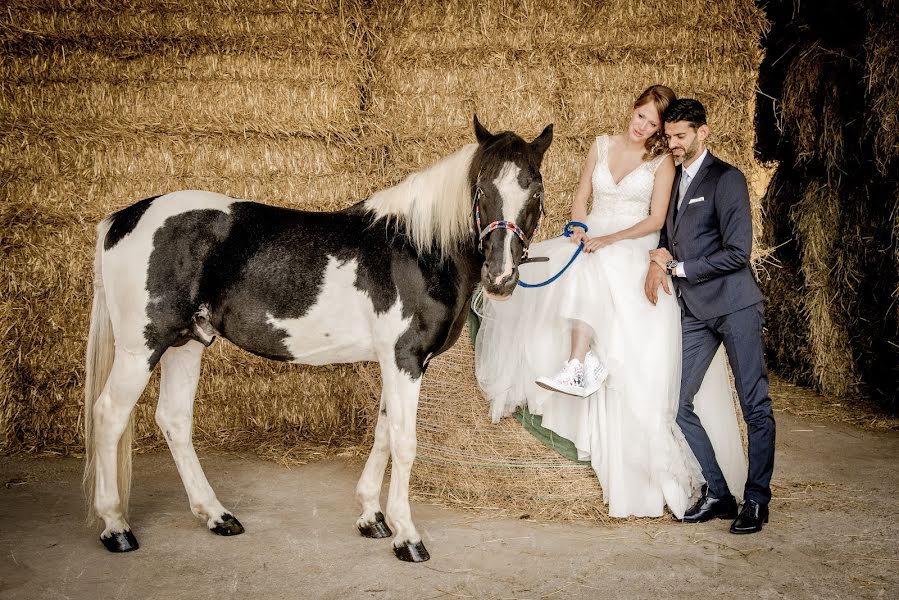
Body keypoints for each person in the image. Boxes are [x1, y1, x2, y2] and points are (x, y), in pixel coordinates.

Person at [476, 86, 747, 519]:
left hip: (631, 244)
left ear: (661, 132)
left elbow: (656, 220)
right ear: (633, 108)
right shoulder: (600, 145)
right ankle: (578, 364)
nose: (640, 127)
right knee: (563, 265)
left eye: (652, 125)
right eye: (639, 116)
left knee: (596, 268)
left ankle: (579, 364)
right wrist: (580, 226)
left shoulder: (662, 164)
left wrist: (609, 239)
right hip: (591, 236)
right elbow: (582, 195)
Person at [645, 98, 775, 534]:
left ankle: (757, 499)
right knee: (678, 404)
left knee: (755, 403)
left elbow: (738, 253)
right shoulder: (673, 180)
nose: (674, 145)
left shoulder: (728, 179)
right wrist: (658, 256)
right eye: (670, 138)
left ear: (704, 131)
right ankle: (719, 493)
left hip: (735, 305)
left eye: (681, 136)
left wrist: (680, 268)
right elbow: (668, 236)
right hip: (696, 312)